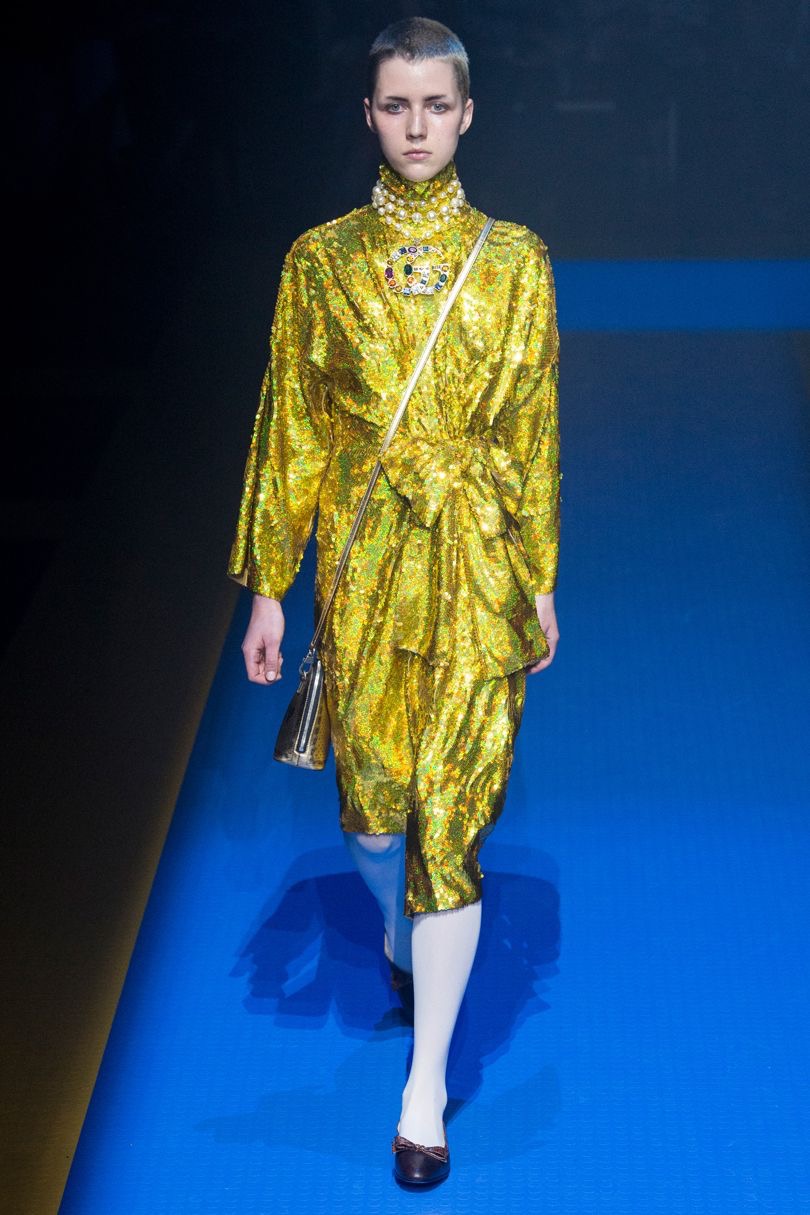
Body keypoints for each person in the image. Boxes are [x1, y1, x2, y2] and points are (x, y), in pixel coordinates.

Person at [227, 16, 560, 1188]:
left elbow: (531, 427)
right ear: (370, 115)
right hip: (363, 572)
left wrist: (540, 577)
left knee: (450, 826)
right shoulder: (318, 262)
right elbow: (293, 427)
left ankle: (425, 1093)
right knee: (372, 817)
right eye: (396, 106)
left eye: (436, 106)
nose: (417, 126)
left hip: (474, 567)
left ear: (467, 114)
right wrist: (270, 588)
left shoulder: (515, 260)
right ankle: (391, 927)